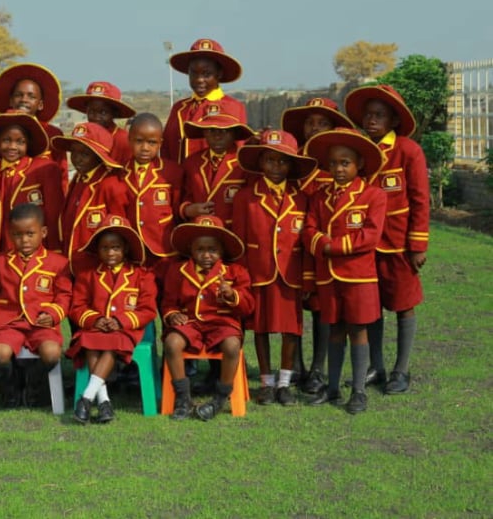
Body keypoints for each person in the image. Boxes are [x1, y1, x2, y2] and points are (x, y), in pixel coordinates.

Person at [345, 84, 429, 394]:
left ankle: (401, 370)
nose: (372, 120)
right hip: (364, 246)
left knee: (404, 304)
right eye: (368, 114)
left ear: (394, 120)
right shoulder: (359, 151)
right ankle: (375, 367)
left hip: (398, 245)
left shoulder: (408, 150)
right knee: (371, 307)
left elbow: (420, 199)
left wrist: (417, 244)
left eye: (380, 115)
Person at [302, 128, 386, 414]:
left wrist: (332, 247)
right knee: (334, 330)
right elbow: (309, 229)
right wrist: (319, 242)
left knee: (358, 330)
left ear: (359, 164)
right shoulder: (319, 195)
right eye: (334, 163)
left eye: (345, 163)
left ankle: (359, 391)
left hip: (358, 276)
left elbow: (370, 236)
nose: (338, 169)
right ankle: (334, 387)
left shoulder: (373, 195)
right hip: (328, 276)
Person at [231, 130, 318, 406]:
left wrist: (307, 279)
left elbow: (305, 244)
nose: (276, 167)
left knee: (291, 330)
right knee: (260, 328)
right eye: (270, 160)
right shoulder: (247, 197)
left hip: (290, 275)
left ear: (292, 164)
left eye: (282, 161)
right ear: (260, 163)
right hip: (258, 273)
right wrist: (242, 278)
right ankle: (266, 382)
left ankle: (284, 382)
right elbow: (240, 241)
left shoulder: (302, 199)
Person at [280, 97, 355, 393]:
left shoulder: (334, 170)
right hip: (289, 248)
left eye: (323, 123)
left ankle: (318, 369)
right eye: (311, 122)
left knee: (321, 309)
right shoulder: (291, 159)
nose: (315, 128)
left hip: (321, 248)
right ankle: (295, 366)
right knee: (292, 306)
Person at [161, 215, 255, 420]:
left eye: (212, 250)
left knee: (232, 346)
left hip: (222, 324)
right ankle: (183, 398)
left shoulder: (235, 272)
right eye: (200, 249)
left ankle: (220, 399)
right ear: (191, 250)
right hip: (191, 323)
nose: (206, 255)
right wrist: (172, 314)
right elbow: (168, 302)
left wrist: (232, 295)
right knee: (171, 342)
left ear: (221, 251)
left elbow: (248, 307)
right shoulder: (178, 271)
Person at [68, 215, 157, 424]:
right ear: (97, 250)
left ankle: (87, 398)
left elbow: (148, 310)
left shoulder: (142, 275)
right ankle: (104, 402)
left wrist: (120, 321)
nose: (110, 253)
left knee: (111, 345)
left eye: (116, 247)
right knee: (89, 342)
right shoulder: (88, 275)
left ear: (125, 248)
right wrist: (95, 319)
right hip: (94, 329)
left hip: (126, 330)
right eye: (105, 248)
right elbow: (77, 307)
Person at [0, 203, 72, 408]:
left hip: (41, 324)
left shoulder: (58, 263)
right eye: (18, 235)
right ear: (10, 234)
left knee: (51, 354)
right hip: (8, 323)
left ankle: (33, 384)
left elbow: (64, 296)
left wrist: (53, 314)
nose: (24, 240)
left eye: (30, 234)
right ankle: (12, 385)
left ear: (43, 232)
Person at [0, 111, 64, 254]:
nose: (12, 146)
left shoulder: (44, 168)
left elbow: (53, 213)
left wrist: (55, 250)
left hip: (36, 252)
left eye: (20, 142)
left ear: (28, 143)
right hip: (4, 252)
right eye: (6, 140)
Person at [52, 122, 128, 275]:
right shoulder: (78, 179)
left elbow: (121, 230)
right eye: (74, 152)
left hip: (97, 270)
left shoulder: (110, 185)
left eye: (85, 154)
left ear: (99, 157)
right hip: (72, 265)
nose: (78, 159)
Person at [162, 38, 248, 163]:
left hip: (213, 180)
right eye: (194, 73)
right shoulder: (179, 108)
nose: (199, 80)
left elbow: (237, 154)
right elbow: (166, 150)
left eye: (206, 74)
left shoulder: (233, 107)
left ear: (219, 73)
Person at [120, 113, 183, 283]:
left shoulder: (172, 172)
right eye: (139, 141)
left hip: (164, 250)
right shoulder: (120, 173)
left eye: (152, 143)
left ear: (160, 143)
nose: (145, 148)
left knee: (167, 297)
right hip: (133, 252)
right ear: (129, 140)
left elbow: (177, 210)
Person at [0, 63, 69, 185]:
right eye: (18, 95)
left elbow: (62, 176)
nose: (24, 99)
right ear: (11, 100)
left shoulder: (53, 134)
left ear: (40, 104)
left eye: (31, 96)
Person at [179, 114, 255, 227]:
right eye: (211, 131)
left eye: (224, 131)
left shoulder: (245, 163)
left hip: (232, 231)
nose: (217, 136)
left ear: (235, 134)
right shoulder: (192, 162)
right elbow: (185, 194)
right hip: (201, 232)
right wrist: (188, 209)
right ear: (204, 133)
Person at [65, 81, 136, 166]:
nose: (96, 117)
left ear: (115, 113)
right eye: (91, 112)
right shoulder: (85, 137)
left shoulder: (124, 141)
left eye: (103, 112)